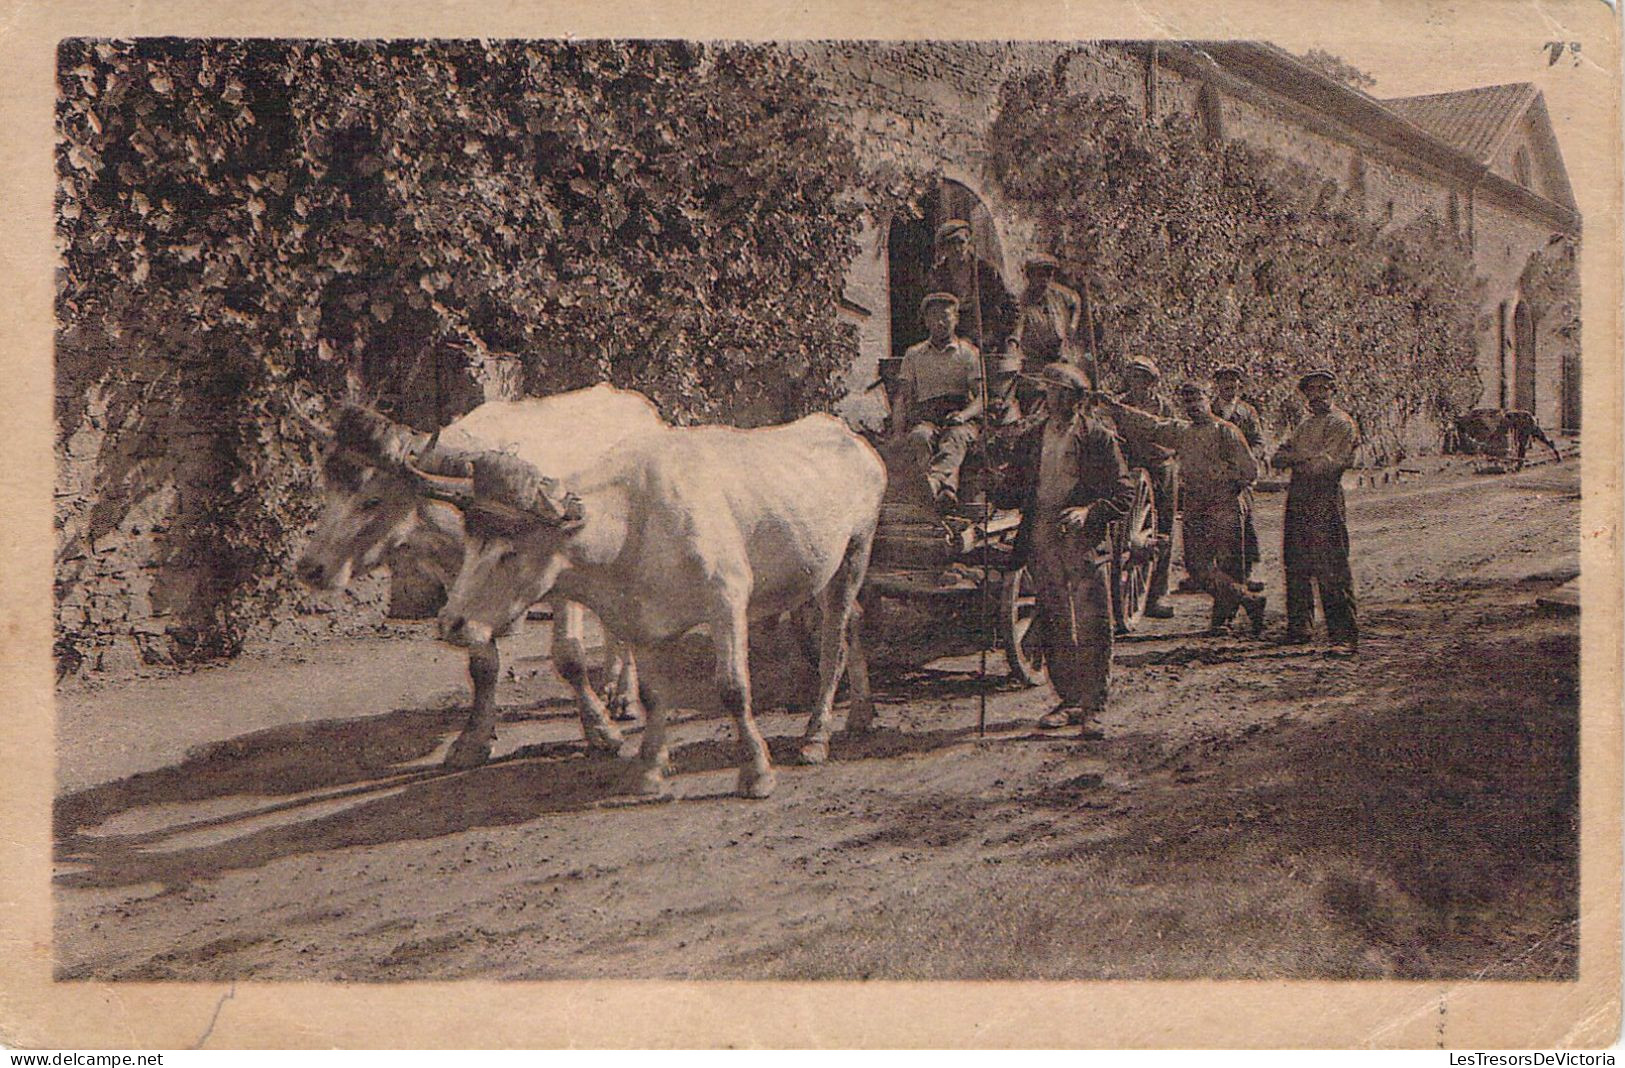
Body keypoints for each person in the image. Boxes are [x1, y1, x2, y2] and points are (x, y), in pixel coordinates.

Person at [995, 362, 1135, 734]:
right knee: (1054, 618)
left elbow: (1124, 493)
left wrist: (1089, 512)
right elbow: (1013, 491)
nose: (1052, 397)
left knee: (1092, 622)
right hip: (1042, 535)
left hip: (1082, 540)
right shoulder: (1032, 438)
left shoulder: (1098, 438)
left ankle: (1094, 706)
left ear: (1077, 399)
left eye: (1059, 391)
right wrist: (997, 476)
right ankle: (1068, 700)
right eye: (1049, 390)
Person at [1106, 381, 1267, 636]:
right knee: (1196, 567)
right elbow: (1151, 425)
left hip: (1224, 502)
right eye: (1187, 402)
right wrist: (1114, 408)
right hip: (1194, 503)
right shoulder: (1183, 432)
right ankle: (1249, 600)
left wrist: (1223, 480)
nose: (1193, 407)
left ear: (1207, 399)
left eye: (1197, 400)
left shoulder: (1226, 431)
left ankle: (1221, 621)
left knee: (1228, 564)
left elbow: (1250, 471)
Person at [1272, 369, 1359, 648]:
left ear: (1333, 391)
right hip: (1299, 497)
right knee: (1296, 563)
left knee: (1331, 566)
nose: (1318, 395)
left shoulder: (1342, 423)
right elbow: (1277, 457)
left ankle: (1343, 636)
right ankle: (1300, 629)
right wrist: (1304, 458)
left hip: (1325, 497)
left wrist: (1298, 459)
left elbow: (1328, 464)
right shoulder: (1304, 425)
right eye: (1311, 391)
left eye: (1323, 389)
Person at [891, 291, 984, 511]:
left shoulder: (968, 353)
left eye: (946, 316)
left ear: (956, 319)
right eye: (934, 317)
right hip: (928, 417)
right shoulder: (914, 355)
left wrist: (963, 415)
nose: (940, 322)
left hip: (960, 418)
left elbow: (982, 398)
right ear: (926, 322)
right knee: (919, 436)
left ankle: (933, 485)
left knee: (955, 437)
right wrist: (896, 432)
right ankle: (945, 490)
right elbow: (903, 398)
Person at [1113, 356, 1178, 618]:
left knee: (1162, 529)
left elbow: (1170, 436)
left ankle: (1157, 595)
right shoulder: (1119, 403)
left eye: (1144, 378)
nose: (1139, 383)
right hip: (1130, 467)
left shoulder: (1163, 406)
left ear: (1153, 381)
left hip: (1160, 468)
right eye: (1134, 377)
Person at [1212, 364, 1266, 591]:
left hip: (1240, 477)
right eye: (1224, 382)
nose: (1229, 386)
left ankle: (1247, 572)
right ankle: (1213, 574)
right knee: (1211, 523)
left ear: (1239, 385)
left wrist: (1248, 460)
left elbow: (1258, 442)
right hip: (1214, 475)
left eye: (1233, 382)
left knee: (1246, 523)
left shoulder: (1247, 412)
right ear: (1217, 385)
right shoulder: (1208, 409)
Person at [929, 218, 1018, 355]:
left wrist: (996, 335)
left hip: (986, 337)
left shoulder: (987, 271)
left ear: (968, 241)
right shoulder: (938, 275)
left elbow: (1010, 306)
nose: (957, 249)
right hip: (953, 339)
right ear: (944, 247)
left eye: (961, 242)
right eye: (951, 244)